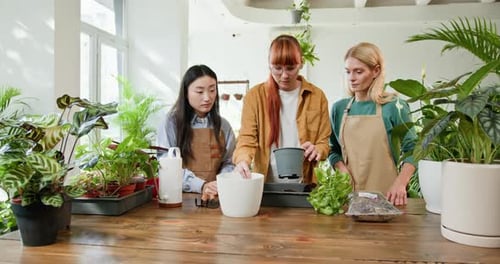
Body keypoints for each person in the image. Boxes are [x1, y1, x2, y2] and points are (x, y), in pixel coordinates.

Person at [233, 34, 331, 183]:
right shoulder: (255, 97)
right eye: (277, 68)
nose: (284, 75)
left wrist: (318, 149)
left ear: (301, 64)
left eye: (291, 68)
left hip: (306, 184)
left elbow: (324, 142)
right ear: (269, 65)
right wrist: (242, 160)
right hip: (266, 184)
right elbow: (246, 138)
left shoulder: (317, 97)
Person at [328, 42, 417, 206]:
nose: (351, 78)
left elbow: (414, 149)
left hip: (387, 197)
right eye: (348, 72)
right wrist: (341, 168)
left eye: (358, 72)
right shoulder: (339, 109)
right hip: (349, 197)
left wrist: (400, 183)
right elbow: (333, 149)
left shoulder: (394, 107)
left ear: (376, 71)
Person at [157, 64, 236, 202]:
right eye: (200, 92)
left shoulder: (224, 126)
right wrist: (201, 185)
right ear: (186, 93)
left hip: (215, 198)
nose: (207, 98)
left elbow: (229, 162)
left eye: (212, 90)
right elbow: (166, 166)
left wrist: (220, 184)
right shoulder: (171, 123)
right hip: (178, 199)